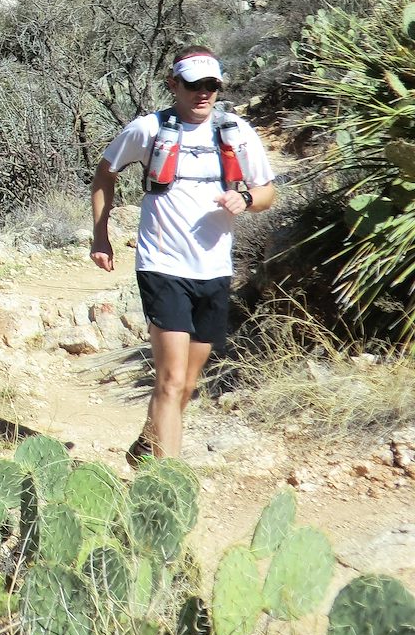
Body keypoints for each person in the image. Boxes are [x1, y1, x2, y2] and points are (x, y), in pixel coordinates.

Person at [89, 48, 276, 461]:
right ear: (174, 85)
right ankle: (164, 483)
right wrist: (100, 236)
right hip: (162, 264)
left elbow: (267, 191)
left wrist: (245, 199)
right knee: (171, 380)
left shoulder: (236, 133)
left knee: (187, 384)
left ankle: (146, 444)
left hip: (213, 270)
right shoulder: (148, 130)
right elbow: (105, 172)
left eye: (211, 85)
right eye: (193, 85)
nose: (203, 94)